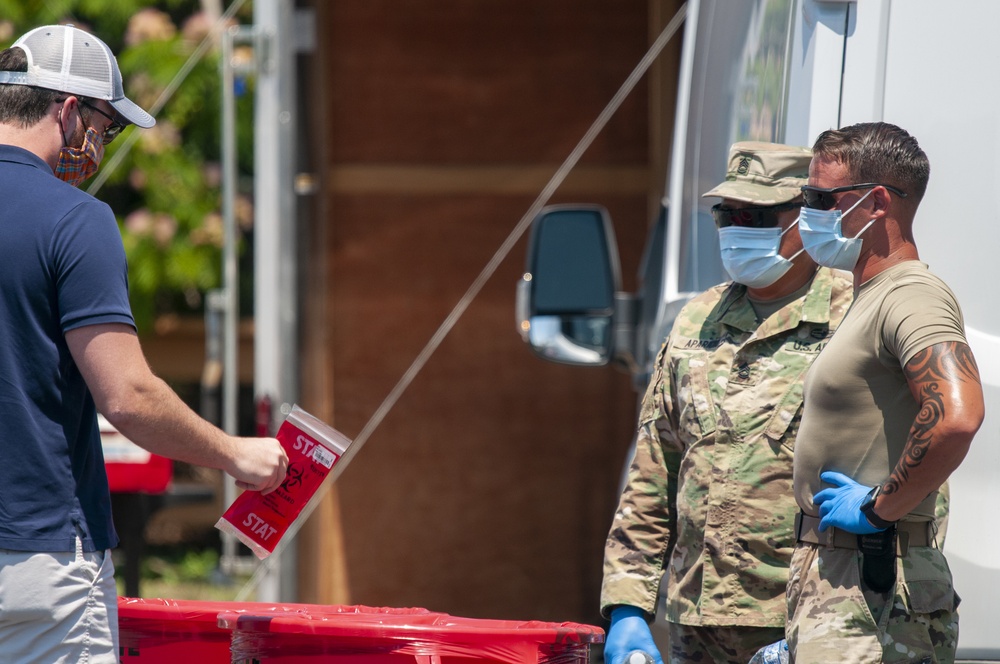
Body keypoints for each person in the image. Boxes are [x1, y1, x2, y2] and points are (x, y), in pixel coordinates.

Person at [0, 24, 288, 663]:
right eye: (106, 127)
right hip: (38, 560)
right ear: (69, 110)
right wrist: (236, 454)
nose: (100, 147)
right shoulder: (74, 220)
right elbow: (127, 397)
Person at [600, 142, 854, 664]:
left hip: (806, 620)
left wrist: (839, 625)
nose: (738, 227)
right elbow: (654, 471)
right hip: (699, 622)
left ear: (806, 218)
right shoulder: (697, 321)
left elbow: (908, 475)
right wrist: (628, 607)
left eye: (757, 215)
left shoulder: (854, 316)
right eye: (727, 213)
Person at [786, 121, 984, 664]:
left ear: (875, 203)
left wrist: (878, 507)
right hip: (843, 581)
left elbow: (958, 415)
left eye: (820, 198)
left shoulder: (912, 295)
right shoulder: (871, 295)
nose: (807, 212)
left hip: (872, 581)